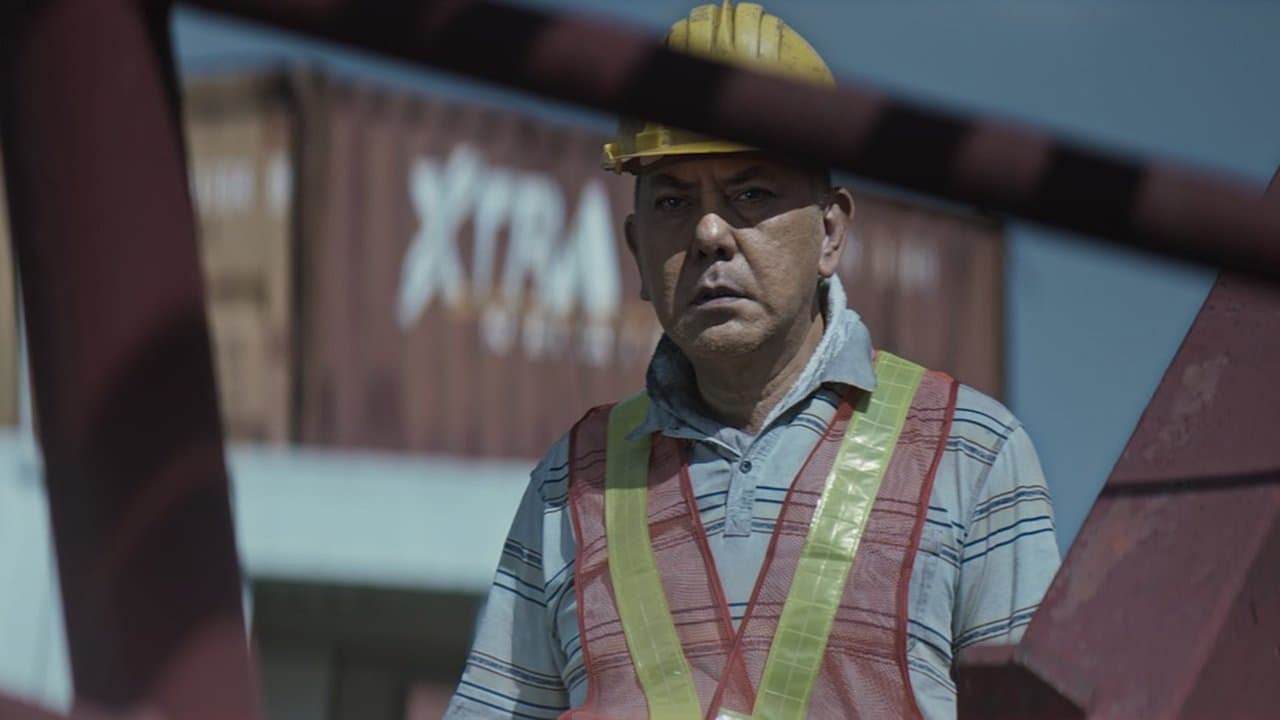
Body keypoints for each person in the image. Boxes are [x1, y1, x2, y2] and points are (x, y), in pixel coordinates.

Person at [444, 2, 1059, 718]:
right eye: (673, 202)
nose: (709, 232)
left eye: (751, 193)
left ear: (831, 232)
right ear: (636, 251)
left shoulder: (970, 452)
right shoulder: (569, 485)